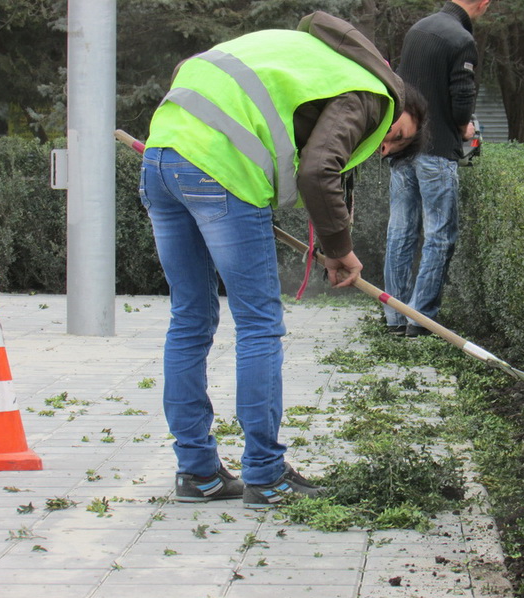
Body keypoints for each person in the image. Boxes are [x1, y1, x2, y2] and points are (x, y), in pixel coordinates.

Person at [139, 11, 426, 507]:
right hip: (221, 173)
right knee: (258, 325)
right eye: (398, 135)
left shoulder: (307, 57)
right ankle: (266, 474)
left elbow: (192, 67)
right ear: (400, 99)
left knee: (189, 320)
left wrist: (194, 147)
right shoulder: (372, 93)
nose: (384, 146)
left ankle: (198, 473)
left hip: (162, 158)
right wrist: (341, 252)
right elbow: (319, 172)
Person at [384, 0, 490, 337]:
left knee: (401, 231)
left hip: (404, 149)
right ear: (483, 3)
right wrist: (465, 128)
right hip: (437, 150)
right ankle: (421, 318)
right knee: (440, 234)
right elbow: (462, 99)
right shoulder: (461, 40)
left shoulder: (419, 30)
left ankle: (395, 315)